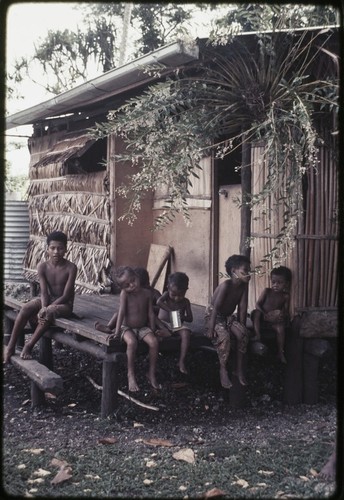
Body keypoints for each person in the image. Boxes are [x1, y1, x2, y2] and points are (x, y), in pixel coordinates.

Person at [4, 231, 77, 363]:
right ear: (47, 249)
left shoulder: (71, 268)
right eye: (52, 248)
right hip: (47, 300)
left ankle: (29, 345)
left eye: (60, 248)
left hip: (64, 304)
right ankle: (10, 346)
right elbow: (44, 292)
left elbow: (66, 295)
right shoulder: (42, 266)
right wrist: (43, 306)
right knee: (26, 308)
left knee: (48, 312)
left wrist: (47, 308)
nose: (56, 252)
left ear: (66, 249)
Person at [96, 266, 159, 392]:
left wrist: (152, 329)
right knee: (131, 342)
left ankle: (151, 373)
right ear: (122, 288)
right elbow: (121, 312)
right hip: (127, 327)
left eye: (133, 280)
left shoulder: (147, 293)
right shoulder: (125, 294)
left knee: (154, 342)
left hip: (142, 327)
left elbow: (151, 313)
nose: (132, 285)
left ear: (137, 276)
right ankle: (130, 374)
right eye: (127, 285)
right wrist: (118, 331)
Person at [205, 254, 251, 389]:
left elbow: (242, 310)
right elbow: (215, 309)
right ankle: (223, 368)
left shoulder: (243, 287)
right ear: (233, 272)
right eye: (244, 272)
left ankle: (239, 369)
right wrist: (211, 328)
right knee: (224, 337)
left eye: (249, 271)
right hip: (213, 316)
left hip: (228, 317)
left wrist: (241, 327)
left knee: (243, 334)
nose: (248, 274)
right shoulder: (226, 285)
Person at [251, 266, 291, 363]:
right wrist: (264, 314)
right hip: (261, 318)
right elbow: (257, 304)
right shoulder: (267, 291)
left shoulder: (285, 296)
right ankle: (257, 335)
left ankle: (280, 352)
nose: (275, 285)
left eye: (279, 283)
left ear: (286, 284)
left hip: (273, 321)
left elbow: (285, 311)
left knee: (281, 328)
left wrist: (281, 315)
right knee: (256, 313)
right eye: (273, 282)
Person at [156, 272, 193, 375]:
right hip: (163, 323)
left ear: (186, 290)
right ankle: (156, 361)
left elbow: (190, 319)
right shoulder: (166, 295)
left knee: (186, 334)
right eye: (174, 294)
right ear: (168, 288)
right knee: (157, 331)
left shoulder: (186, 302)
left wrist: (183, 317)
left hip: (176, 324)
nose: (177, 298)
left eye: (181, 295)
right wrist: (171, 311)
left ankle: (181, 361)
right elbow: (158, 302)